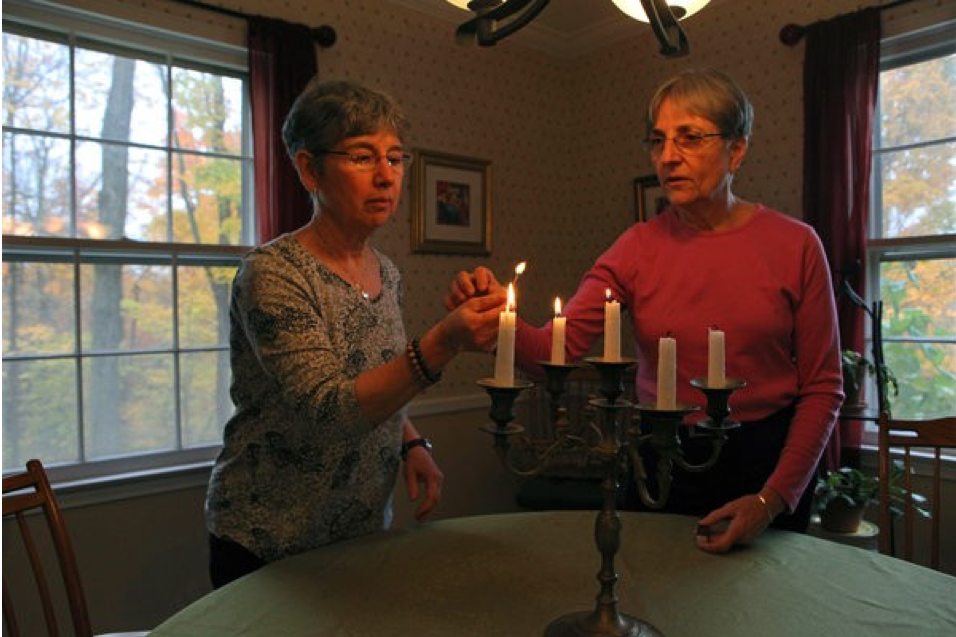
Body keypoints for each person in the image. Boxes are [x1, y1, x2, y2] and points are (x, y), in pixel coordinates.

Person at [445, 69, 843, 554]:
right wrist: (495, 325)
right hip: (662, 456)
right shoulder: (635, 247)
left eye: (689, 138)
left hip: (766, 458)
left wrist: (771, 500)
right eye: (658, 141)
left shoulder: (796, 244)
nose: (668, 157)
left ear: (736, 150)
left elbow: (823, 387)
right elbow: (559, 348)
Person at [205, 78, 505, 588]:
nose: (387, 176)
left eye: (395, 158)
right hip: (269, 540)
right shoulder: (275, 275)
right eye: (363, 157)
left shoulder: (386, 273)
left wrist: (412, 444)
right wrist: (444, 341)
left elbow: (378, 376)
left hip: (359, 532)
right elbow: (330, 411)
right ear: (308, 169)